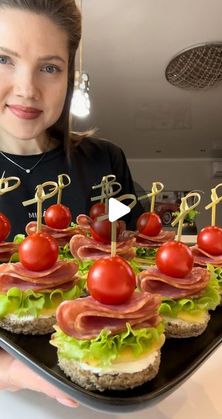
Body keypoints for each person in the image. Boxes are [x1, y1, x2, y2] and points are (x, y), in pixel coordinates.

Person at [0, 0, 144, 407]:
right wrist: (6, 374)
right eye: (4, 59)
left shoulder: (104, 162)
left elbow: (127, 242)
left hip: (107, 373)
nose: (28, 88)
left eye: (49, 67)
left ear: (69, 74)